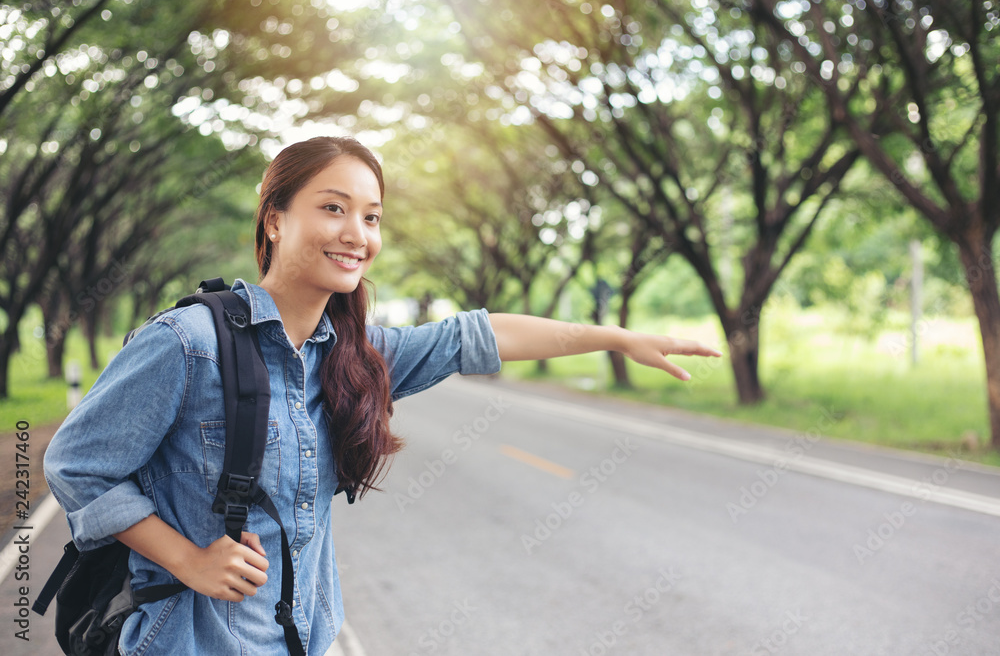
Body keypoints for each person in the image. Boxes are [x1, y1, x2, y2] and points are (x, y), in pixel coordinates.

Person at [44, 136, 721, 655]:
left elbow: (475, 335)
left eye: (371, 216)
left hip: (309, 634)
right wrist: (187, 556)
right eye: (333, 208)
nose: (356, 234)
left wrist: (613, 336)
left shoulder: (352, 354)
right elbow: (77, 462)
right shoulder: (189, 342)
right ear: (274, 218)